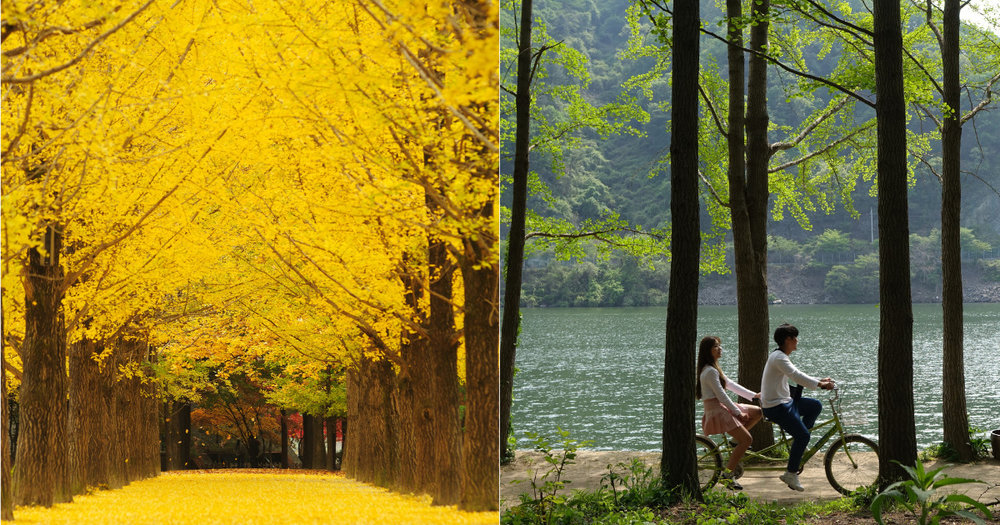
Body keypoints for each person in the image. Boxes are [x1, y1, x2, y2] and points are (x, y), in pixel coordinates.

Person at [760, 323, 835, 492]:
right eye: (795, 337)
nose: (797, 341)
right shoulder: (779, 357)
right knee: (803, 436)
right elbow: (796, 375)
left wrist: (820, 380)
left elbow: (797, 374)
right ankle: (791, 473)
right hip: (776, 406)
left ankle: (798, 443)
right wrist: (821, 385)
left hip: (785, 401)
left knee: (815, 406)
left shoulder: (780, 356)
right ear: (788, 339)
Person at [696, 335, 762, 490]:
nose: (720, 349)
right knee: (747, 440)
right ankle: (727, 475)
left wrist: (754, 395)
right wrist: (737, 412)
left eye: (720, 345)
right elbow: (721, 395)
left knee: (758, 412)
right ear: (708, 351)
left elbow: (730, 385)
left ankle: (734, 442)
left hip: (721, 406)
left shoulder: (713, 368)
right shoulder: (710, 371)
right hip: (717, 409)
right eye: (716, 347)